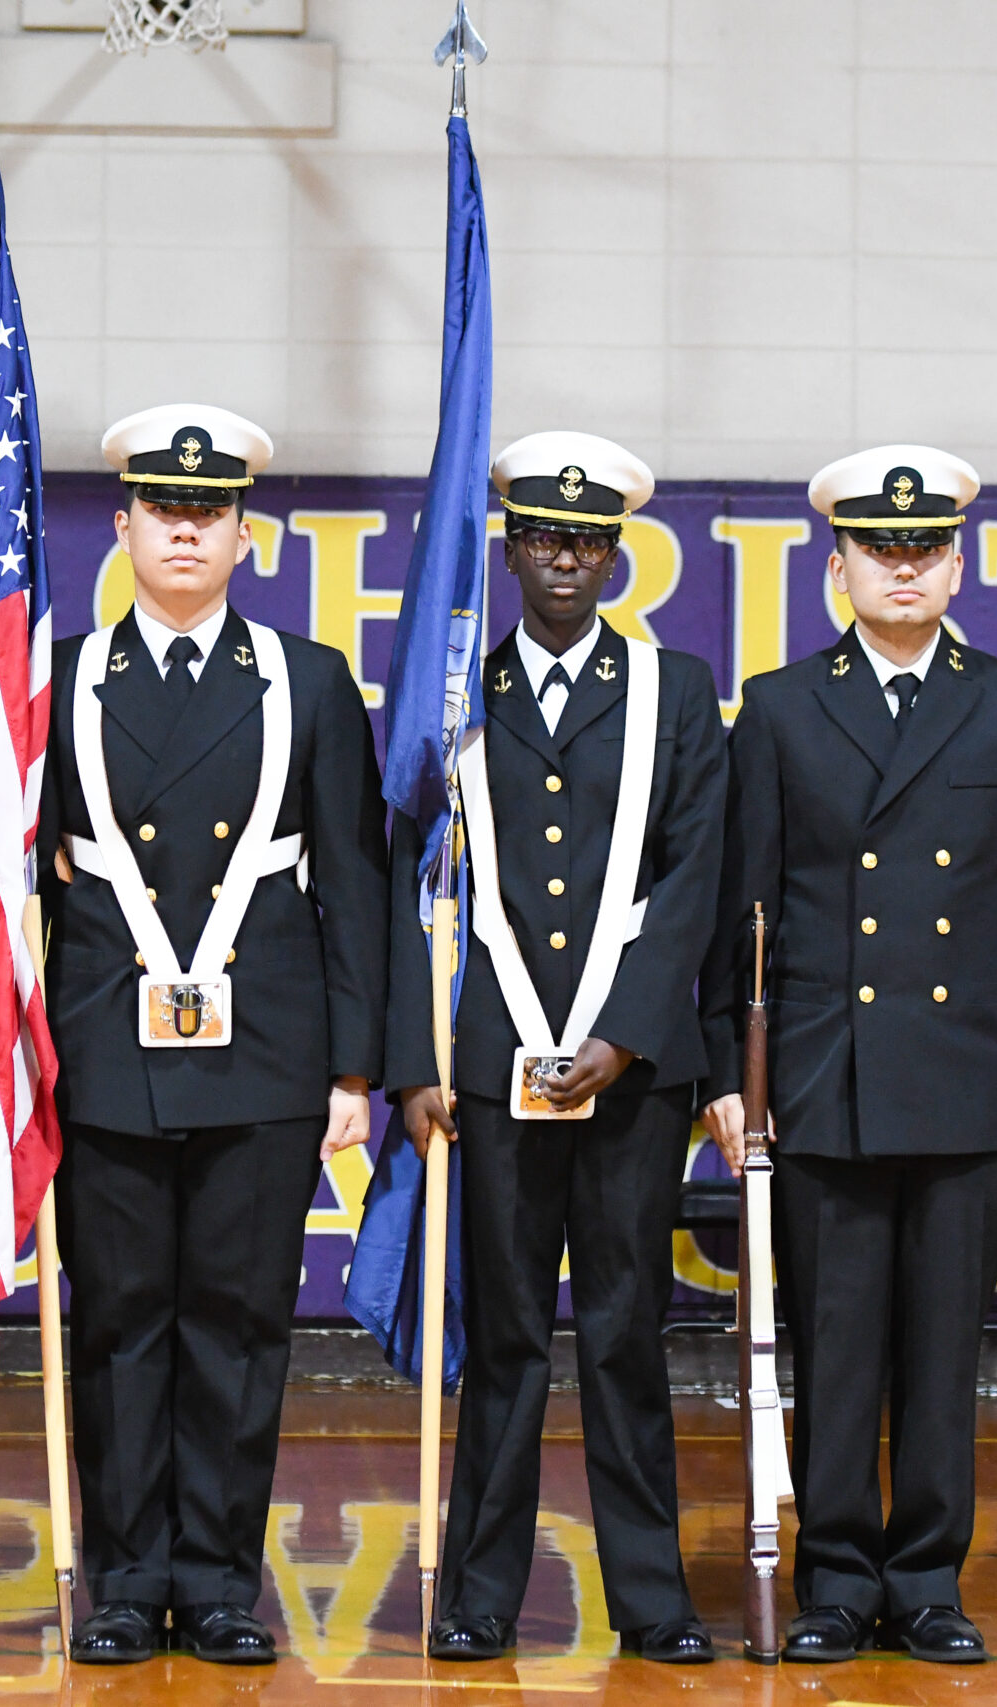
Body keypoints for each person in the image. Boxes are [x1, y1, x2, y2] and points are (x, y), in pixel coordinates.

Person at [698, 445, 997, 1666]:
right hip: (825, 1075)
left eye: (924, 550)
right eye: (880, 550)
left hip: (964, 1076)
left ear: (957, 565)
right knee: (839, 1341)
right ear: (838, 568)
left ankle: (926, 1582)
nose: (902, 569)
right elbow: (738, 909)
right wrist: (726, 1068)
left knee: (939, 1352)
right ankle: (835, 1579)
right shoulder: (778, 704)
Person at [41, 404, 388, 1667]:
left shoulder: (305, 679)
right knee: (123, 1320)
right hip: (103, 1042)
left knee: (241, 1325)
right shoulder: (64, 675)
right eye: (163, 512)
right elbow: (19, 879)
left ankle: (223, 1583)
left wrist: (356, 1064)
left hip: (267, 1051)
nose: (185, 532)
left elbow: (352, 875)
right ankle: (130, 1580)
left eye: (210, 514)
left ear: (248, 534)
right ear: (124, 524)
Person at [386, 434, 727, 1665]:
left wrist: (626, 1035)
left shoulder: (672, 691)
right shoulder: (456, 694)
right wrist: (413, 1062)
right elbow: (404, 880)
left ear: (615, 553)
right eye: (541, 537)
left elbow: (695, 873)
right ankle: (479, 1594)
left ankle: (652, 1599)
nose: (564, 558)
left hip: (629, 1079)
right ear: (513, 549)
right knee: (509, 1341)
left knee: (630, 1340)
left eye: (586, 540)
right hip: (493, 1071)